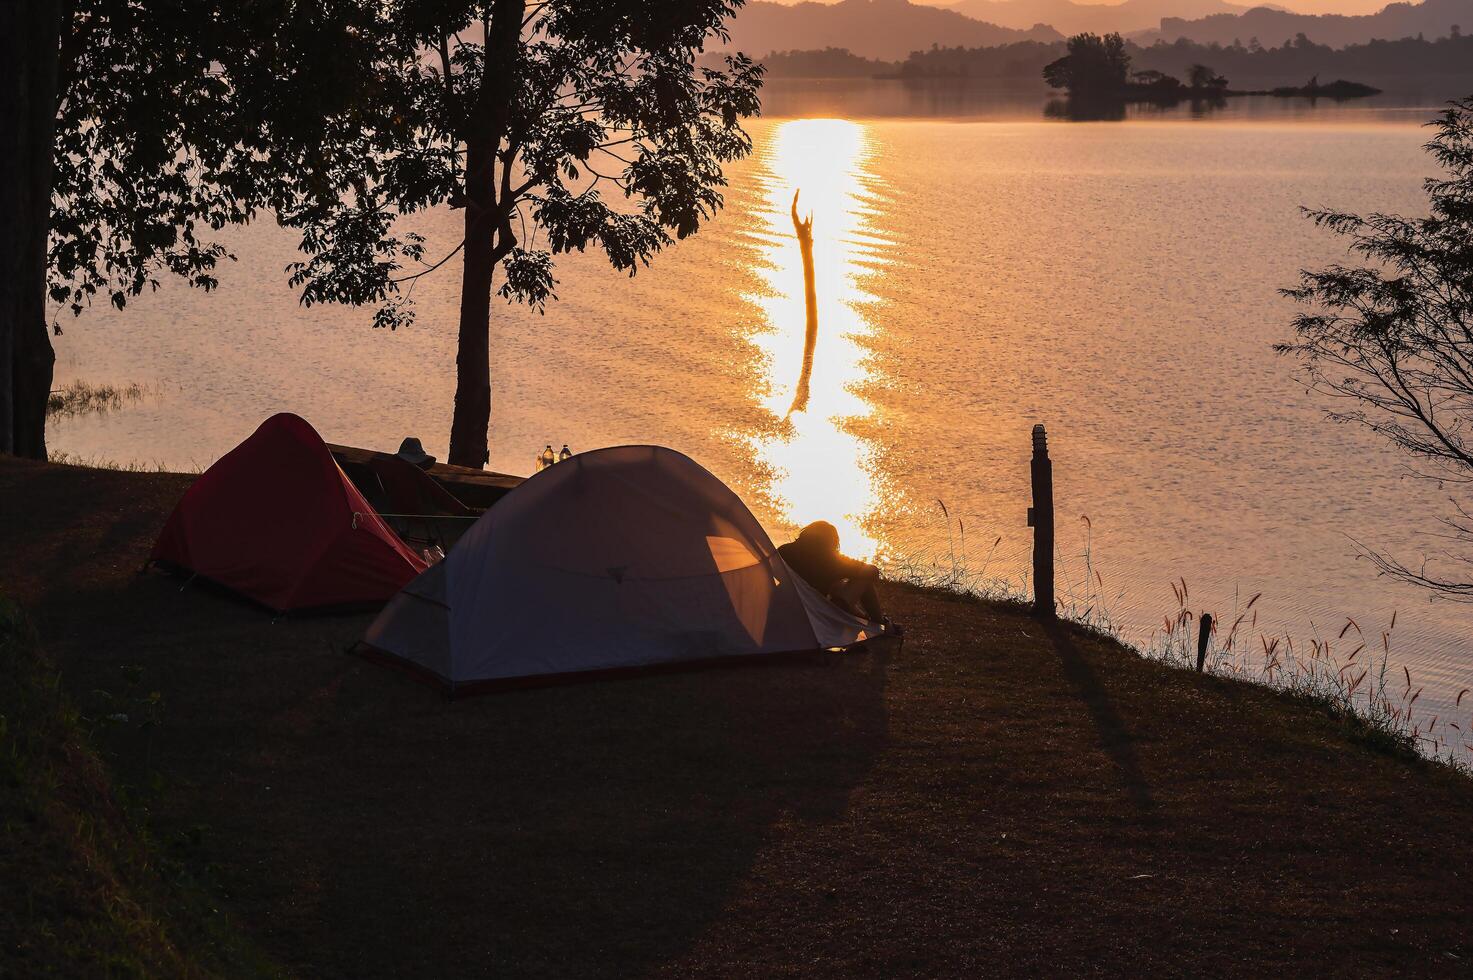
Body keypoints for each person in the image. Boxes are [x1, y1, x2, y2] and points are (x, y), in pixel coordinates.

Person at [777, 520, 887, 624]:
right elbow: (873, 571)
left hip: (784, 606)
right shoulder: (831, 560)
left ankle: (866, 619)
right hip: (816, 613)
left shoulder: (783, 551)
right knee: (864, 578)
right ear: (831, 542)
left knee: (837, 585)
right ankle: (879, 622)